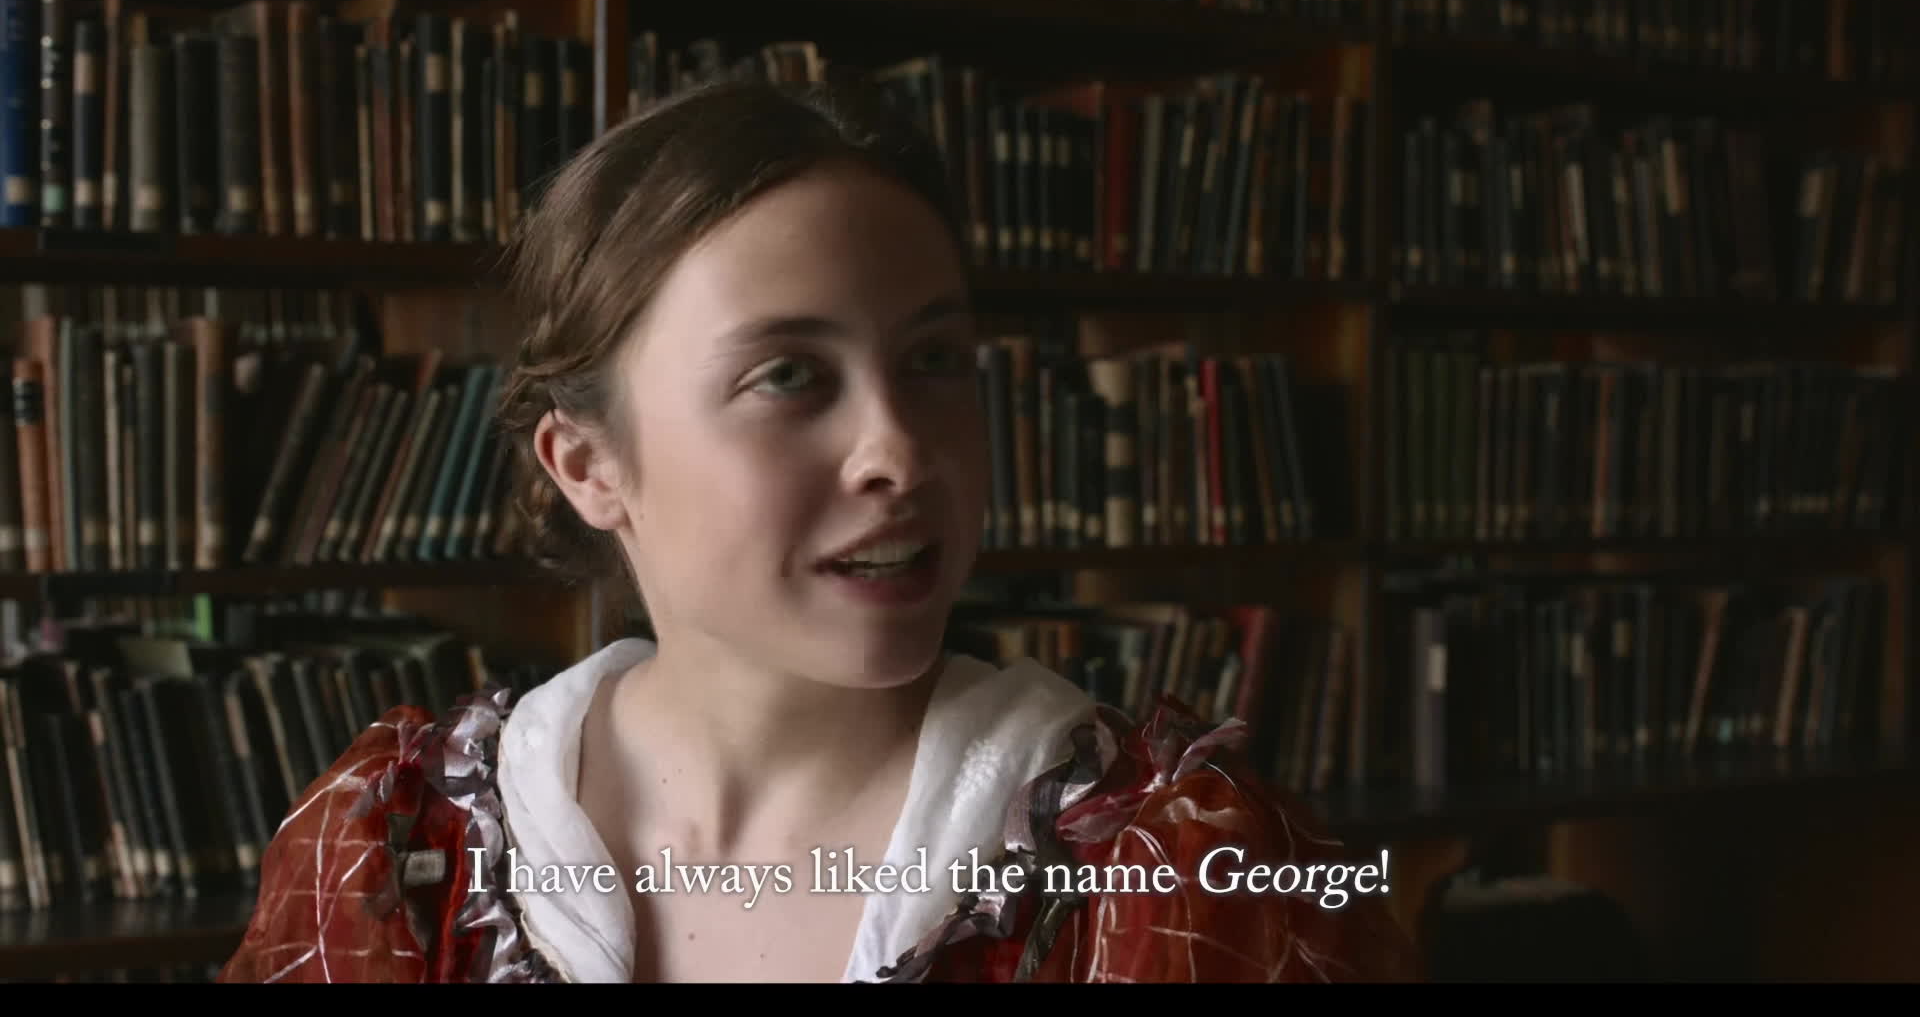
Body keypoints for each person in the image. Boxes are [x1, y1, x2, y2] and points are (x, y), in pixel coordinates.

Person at [215, 74, 1420, 985]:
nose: (898, 450)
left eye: (935, 360)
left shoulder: (1190, 882)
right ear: (588, 465)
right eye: (789, 375)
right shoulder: (390, 861)